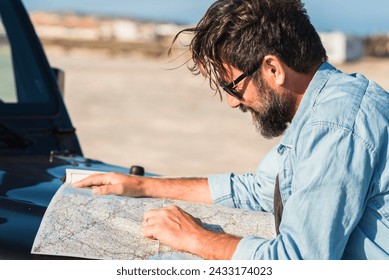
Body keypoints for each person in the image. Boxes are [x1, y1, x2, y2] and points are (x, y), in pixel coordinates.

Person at [74, 0, 389, 260]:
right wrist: (141, 186)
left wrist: (197, 239)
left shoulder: (334, 127)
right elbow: (256, 191)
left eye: (233, 85)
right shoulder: (327, 107)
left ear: (273, 69)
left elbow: (297, 261)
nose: (231, 102)